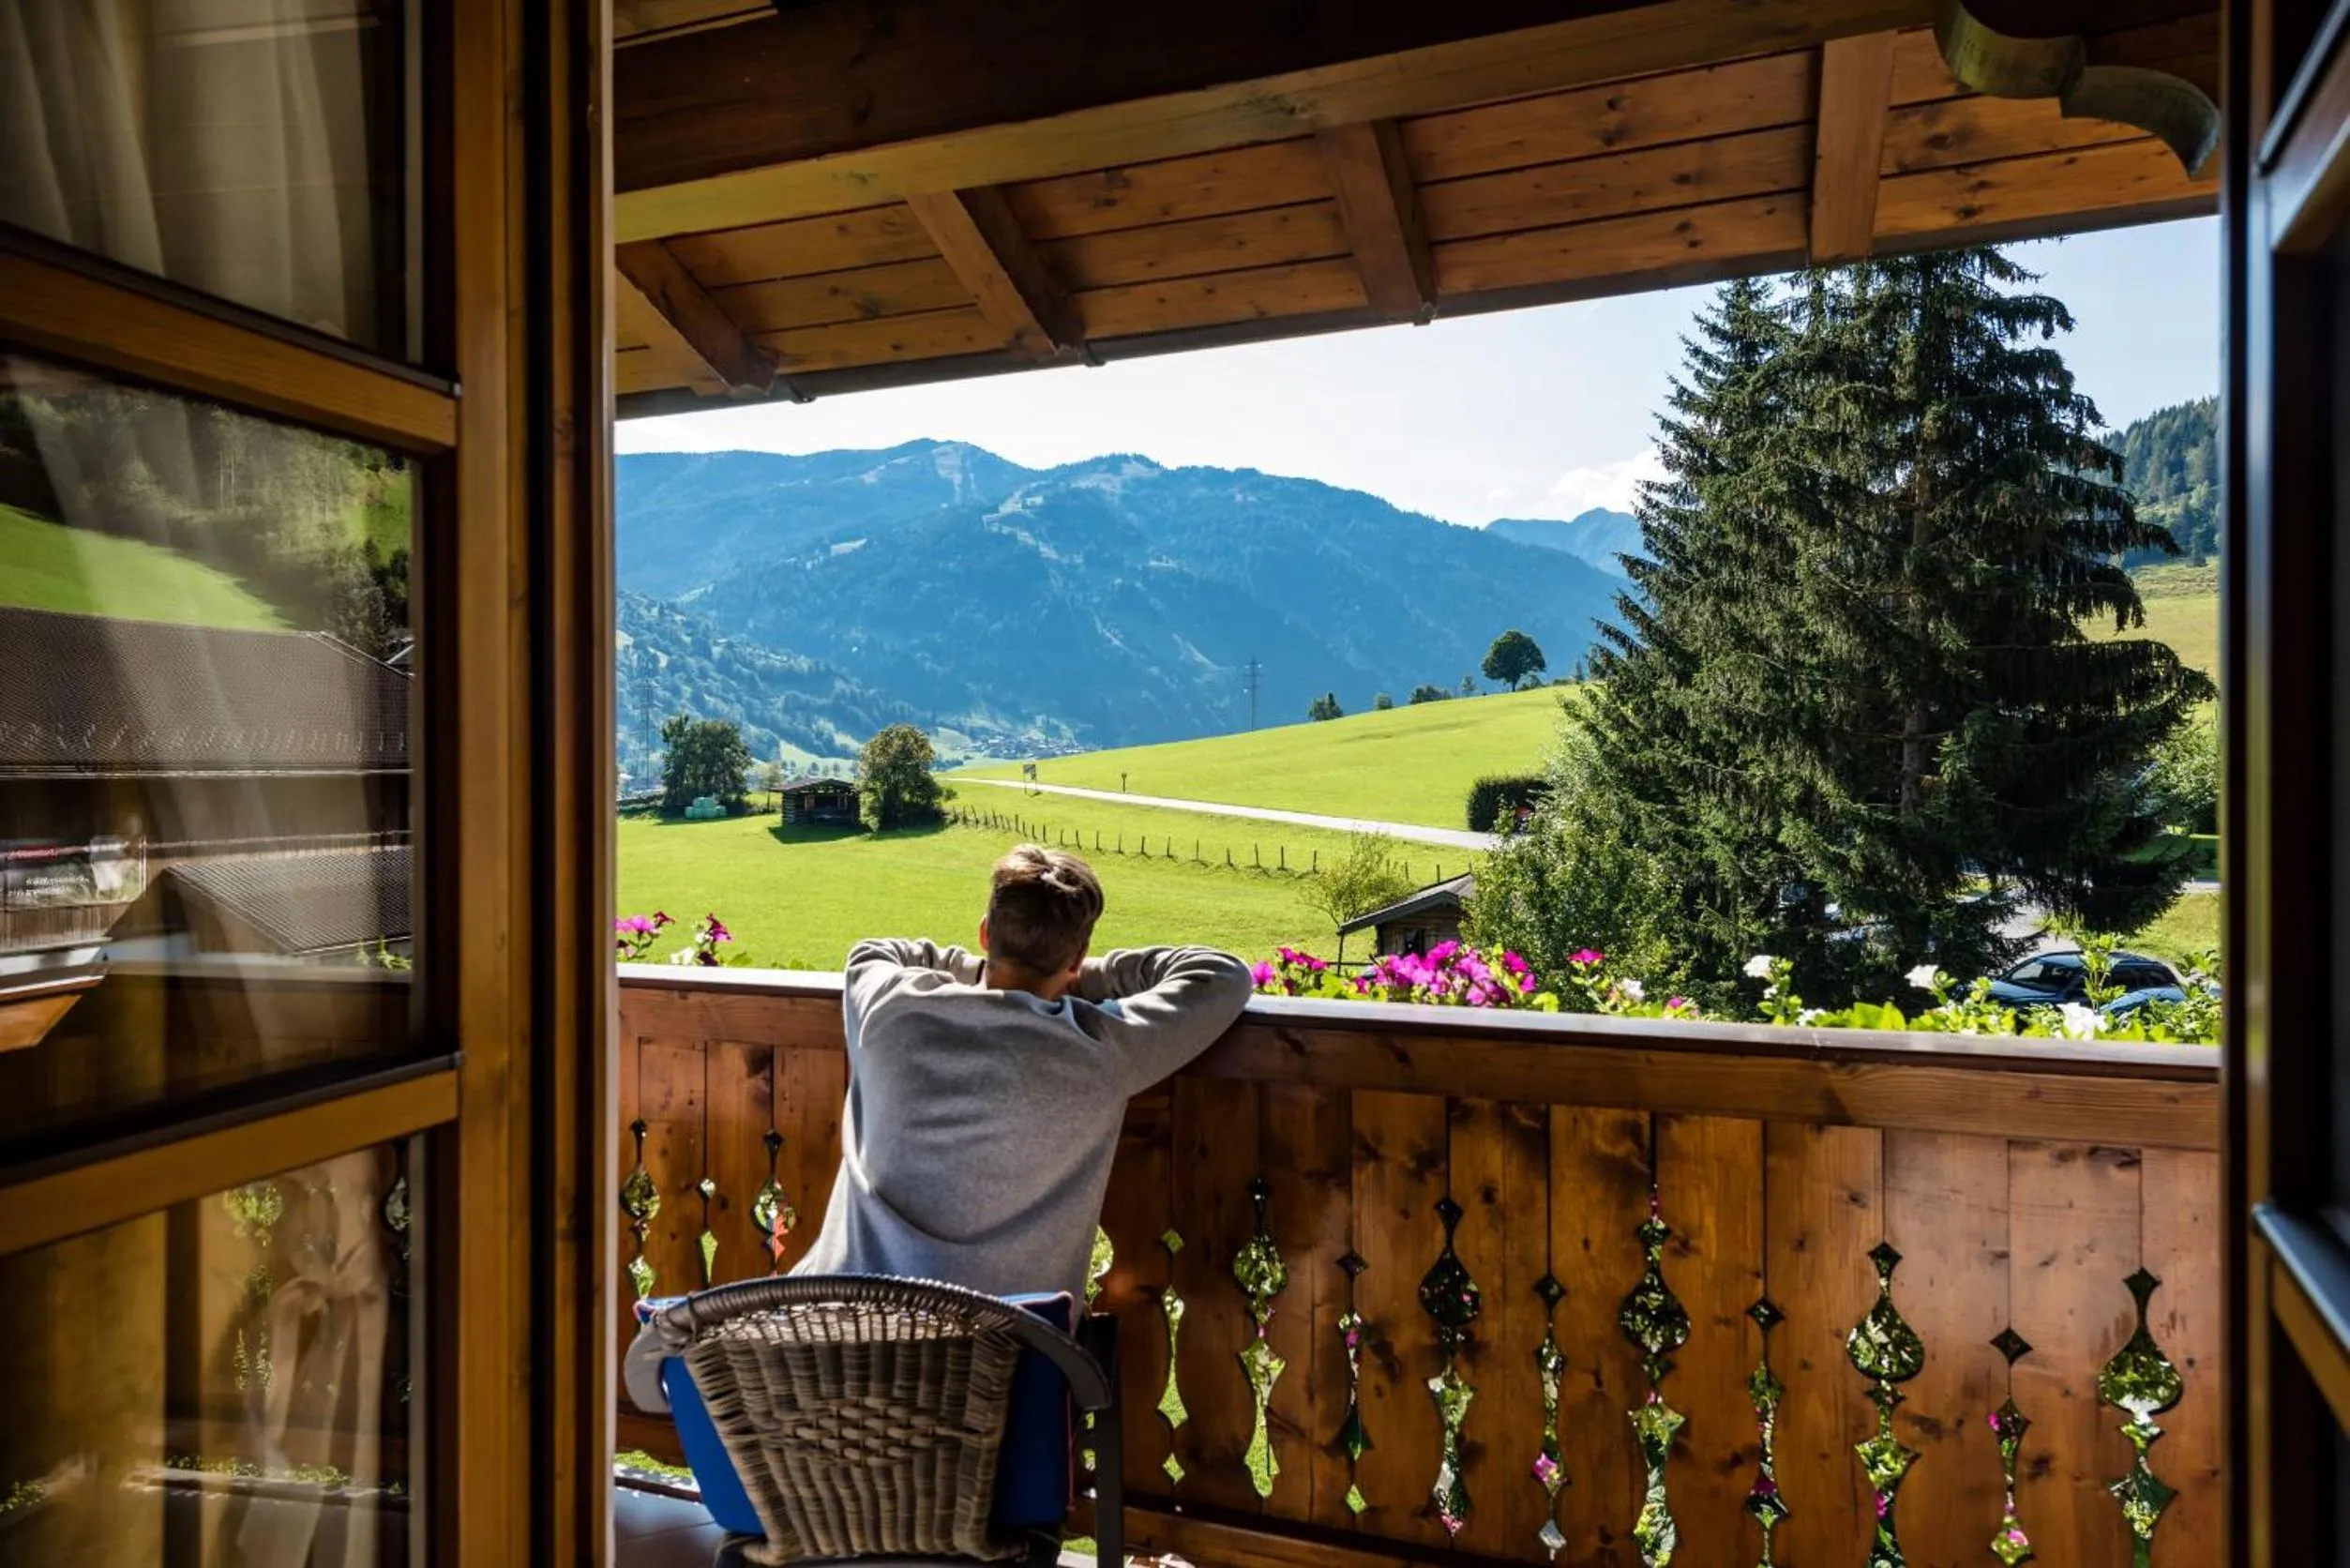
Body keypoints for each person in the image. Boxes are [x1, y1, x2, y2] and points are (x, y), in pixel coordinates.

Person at [794, 844, 1254, 1303]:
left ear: (986, 933)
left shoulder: (889, 1011)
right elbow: (1221, 975)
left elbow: (872, 952)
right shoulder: (1098, 1047)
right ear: (1074, 958)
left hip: (833, 1339)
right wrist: (1083, 976)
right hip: (1003, 1358)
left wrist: (975, 971)